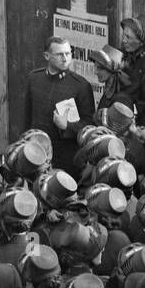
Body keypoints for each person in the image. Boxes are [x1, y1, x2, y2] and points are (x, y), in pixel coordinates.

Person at [25, 37, 95, 180]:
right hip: (37, 154)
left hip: (65, 159)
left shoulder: (80, 86)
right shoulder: (34, 79)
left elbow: (89, 125)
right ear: (47, 56)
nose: (65, 58)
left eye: (68, 54)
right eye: (60, 54)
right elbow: (27, 118)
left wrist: (67, 126)